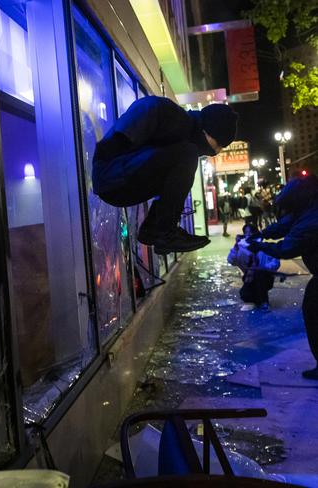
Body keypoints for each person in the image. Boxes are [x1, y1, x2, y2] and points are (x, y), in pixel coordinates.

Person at [92, 96, 238, 254]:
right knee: (187, 154)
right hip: (112, 175)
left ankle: (154, 230)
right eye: (220, 145)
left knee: (185, 157)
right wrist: (119, 147)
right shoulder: (173, 118)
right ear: (208, 131)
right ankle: (165, 233)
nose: (217, 152)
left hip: (116, 178)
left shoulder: (181, 134)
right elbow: (147, 107)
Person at [245, 175, 318, 379]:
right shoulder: (307, 208)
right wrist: (261, 235)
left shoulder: (311, 219)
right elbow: (284, 225)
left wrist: (260, 245)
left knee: (313, 314)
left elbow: (287, 248)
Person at [228, 223, 278, 312]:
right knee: (245, 294)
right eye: (246, 233)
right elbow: (231, 260)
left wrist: (263, 268)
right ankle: (255, 298)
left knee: (259, 276)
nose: (249, 235)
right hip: (249, 277)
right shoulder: (242, 248)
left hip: (265, 277)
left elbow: (276, 262)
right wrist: (236, 246)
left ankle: (263, 301)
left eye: (251, 232)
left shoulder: (264, 247)